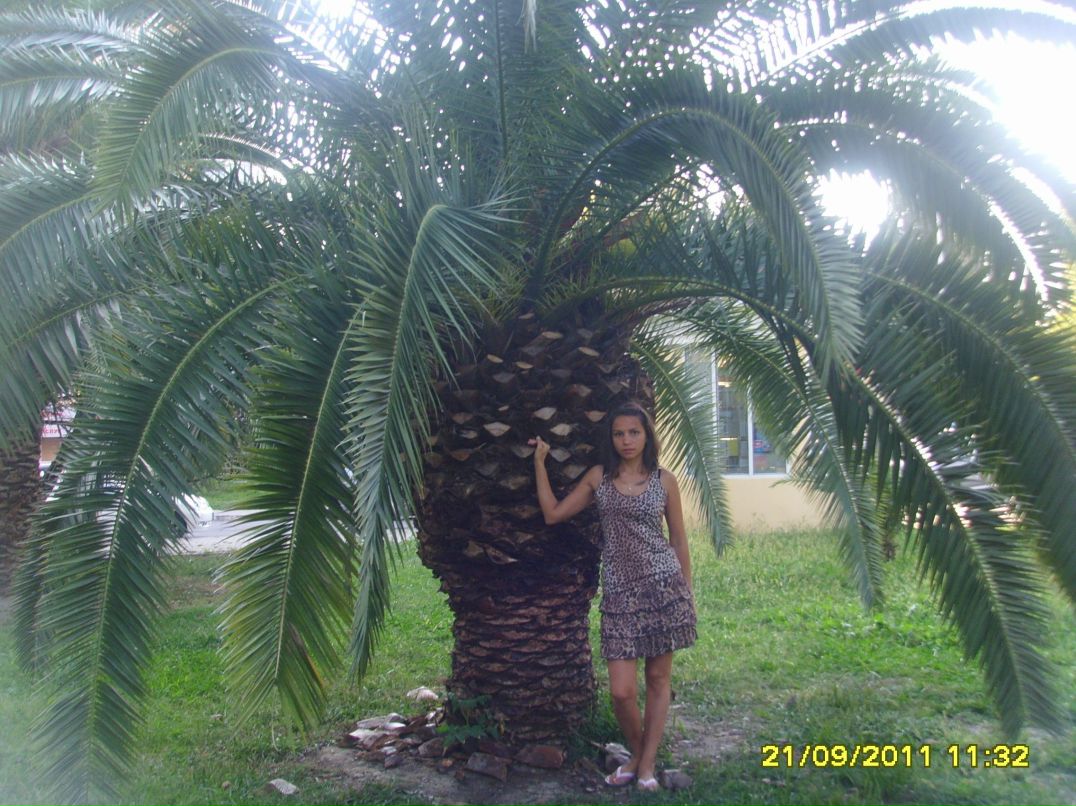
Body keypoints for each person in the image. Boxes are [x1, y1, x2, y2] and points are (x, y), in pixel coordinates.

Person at [529, 401, 696, 792]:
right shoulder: (599, 478)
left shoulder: (664, 480)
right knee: (622, 691)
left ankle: (646, 766)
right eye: (619, 433)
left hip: (663, 589)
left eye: (634, 432)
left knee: (657, 679)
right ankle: (640, 757)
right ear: (611, 437)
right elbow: (553, 514)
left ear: (646, 436)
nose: (626, 440)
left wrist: (686, 592)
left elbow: (678, 538)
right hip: (620, 592)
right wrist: (539, 462)